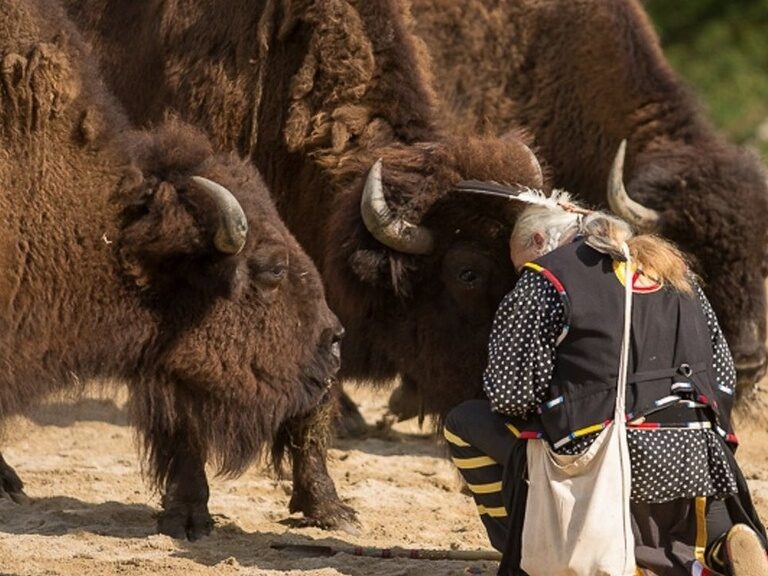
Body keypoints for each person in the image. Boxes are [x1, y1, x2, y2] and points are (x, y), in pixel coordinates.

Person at [444, 189, 768, 576]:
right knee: (664, 491)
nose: (520, 272)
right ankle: (713, 548)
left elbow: (510, 396)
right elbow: (723, 377)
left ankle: (528, 550)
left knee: (464, 421)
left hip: (602, 457)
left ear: (537, 242)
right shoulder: (680, 274)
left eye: (518, 263)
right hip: (702, 458)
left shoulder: (544, 278)